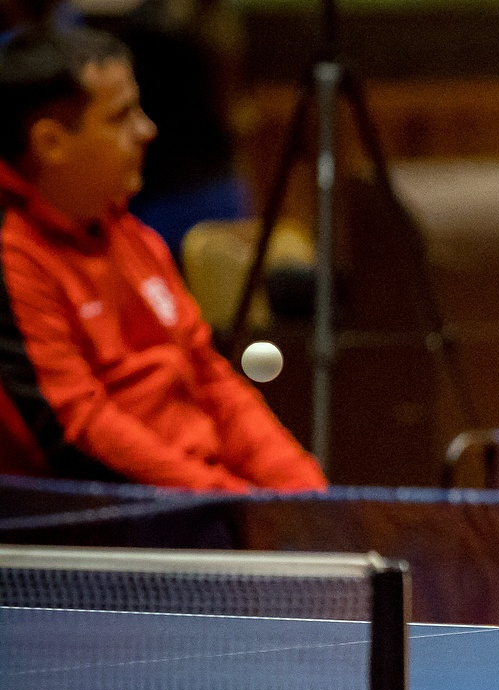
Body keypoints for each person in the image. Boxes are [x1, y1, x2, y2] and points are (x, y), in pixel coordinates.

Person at [0, 25, 326, 492]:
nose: (147, 130)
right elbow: (75, 428)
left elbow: (211, 381)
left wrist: (304, 495)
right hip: (109, 516)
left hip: (195, 502)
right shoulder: (13, 256)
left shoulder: (134, 237)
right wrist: (231, 501)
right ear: (51, 143)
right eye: (121, 117)